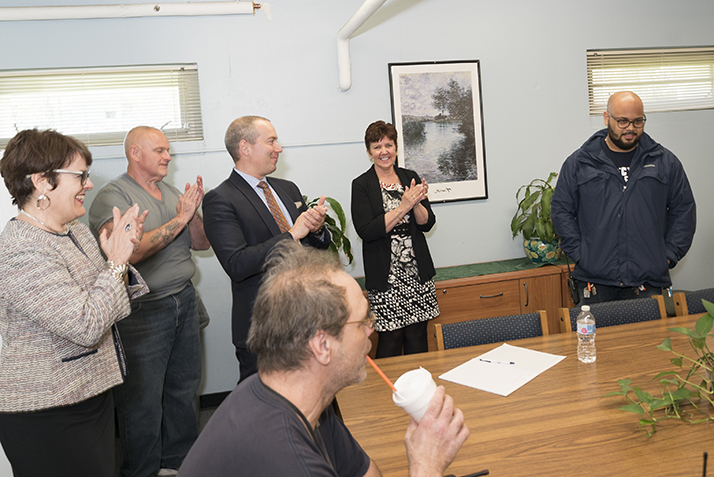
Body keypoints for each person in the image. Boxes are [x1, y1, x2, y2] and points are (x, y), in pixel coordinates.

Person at [178, 241, 469, 477]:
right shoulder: (286, 459)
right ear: (322, 345)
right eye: (363, 320)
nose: (372, 329)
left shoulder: (303, 401)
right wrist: (426, 466)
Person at [0, 129, 148, 477]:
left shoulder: (75, 230)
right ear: (41, 181)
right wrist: (116, 262)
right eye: (80, 175)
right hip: (49, 409)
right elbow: (85, 325)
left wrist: (117, 261)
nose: (89, 184)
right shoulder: (21, 249)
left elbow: (103, 298)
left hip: (90, 391)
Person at [88, 126, 210, 477]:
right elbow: (130, 252)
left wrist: (194, 213)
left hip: (183, 301)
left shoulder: (171, 191)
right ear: (135, 153)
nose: (167, 156)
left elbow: (201, 244)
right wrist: (180, 218)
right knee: (141, 402)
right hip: (143, 312)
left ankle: (180, 464)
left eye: (168, 150)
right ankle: (141, 471)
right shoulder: (113, 197)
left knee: (185, 390)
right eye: (159, 150)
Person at [202, 115, 330, 381]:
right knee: (264, 410)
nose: (279, 148)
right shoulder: (221, 199)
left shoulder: (287, 189)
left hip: (305, 318)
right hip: (265, 327)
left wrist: (316, 230)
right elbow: (237, 264)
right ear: (245, 148)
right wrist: (291, 234)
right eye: (271, 141)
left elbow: (311, 248)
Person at [551, 91, 696, 304]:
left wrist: (667, 256)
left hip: (649, 281)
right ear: (606, 118)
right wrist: (582, 254)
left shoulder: (664, 161)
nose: (630, 128)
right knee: (595, 339)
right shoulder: (580, 163)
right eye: (622, 121)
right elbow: (561, 210)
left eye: (638, 121)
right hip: (595, 281)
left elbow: (684, 210)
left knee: (652, 338)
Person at [351, 120, 438, 358]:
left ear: (396, 148)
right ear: (369, 153)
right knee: (390, 339)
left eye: (388, 145)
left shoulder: (410, 177)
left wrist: (417, 202)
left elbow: (427, 223)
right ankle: (386, 395)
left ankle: (419, 392)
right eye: (377, 147)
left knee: (418, 337)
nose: (384, 151)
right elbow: (366, 231)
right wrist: (403, 207)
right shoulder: (361, 185)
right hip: (386, 275)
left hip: (415, 271)